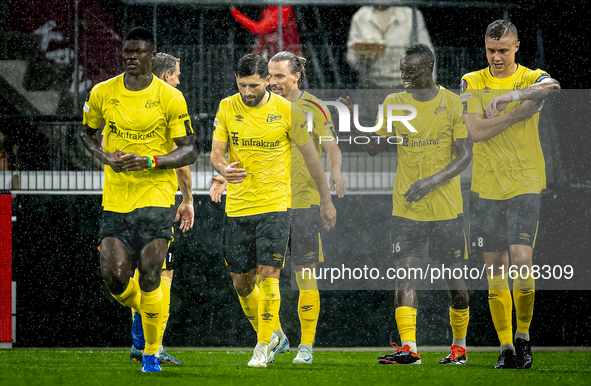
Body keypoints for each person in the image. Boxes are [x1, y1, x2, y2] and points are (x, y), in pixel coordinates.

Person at [210, 51, 346, 364]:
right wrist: (221, 176)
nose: (273, 81)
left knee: (299, 275)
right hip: (254, 204)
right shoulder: (234, 108)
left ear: (296, 76)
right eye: (270, 75)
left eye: (279, 76)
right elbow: (225, 150)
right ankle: (275, 335)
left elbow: (326, 149)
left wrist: (330, 186)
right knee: (249, 280)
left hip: (299, 203)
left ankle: (305, 347)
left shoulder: (309, 108)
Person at [340, 44, 473, 365]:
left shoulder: (452, 104)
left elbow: (465, 155)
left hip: (446, 208)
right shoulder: (395, 103)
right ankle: (409, 348)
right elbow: (375, 147)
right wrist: (353, 122)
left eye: (410, 73)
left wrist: (430, 182)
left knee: (454, 282)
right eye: (402, 72)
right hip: (406, 209)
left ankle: (459, 347)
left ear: (428, 70)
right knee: (404, 278)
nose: (404, 78)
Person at [79, 27, 197, 373]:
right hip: (116, 199)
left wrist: (151, 161)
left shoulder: (170, 98)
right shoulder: (103, 92)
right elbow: (86, 134)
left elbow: (189, 150)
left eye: (138, 51)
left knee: (151, 273)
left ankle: (150, 352)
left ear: (150, 55)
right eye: (127, 51)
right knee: (114, 277)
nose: (131, 57)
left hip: (156, 197)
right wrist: (105, 156)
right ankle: (146, 318)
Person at [461, 19, 560, 369]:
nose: (496, 57)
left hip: (525, 181)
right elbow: (474, 132)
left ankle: (523, 337)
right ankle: (505, 346)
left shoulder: (532, 76)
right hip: (487, 187)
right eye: (491, 50)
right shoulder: (471, 81)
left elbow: (553, 87)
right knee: (495, 267)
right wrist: (520, 113)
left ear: (517, 47)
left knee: (521, 260)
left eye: (503, 50)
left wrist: (508, 97)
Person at [126, 52, 192, 365]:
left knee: (141, 273)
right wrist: (188, 199)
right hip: (157, 200)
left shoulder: (126, 98)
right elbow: (182, 158)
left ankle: (140, 341)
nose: (179, 81)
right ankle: (150, 346)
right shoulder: (171, 101)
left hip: (124, 200)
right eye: (177, 75)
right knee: (161, 274)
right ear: (166, 76)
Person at [347, 0, 434, 89]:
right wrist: (362, 57)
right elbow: (352, 55)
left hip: (404, 86)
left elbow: (426, 53)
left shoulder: (411, 15)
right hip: (371, 86)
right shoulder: (360, 17)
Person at [230, 0, 302, 60]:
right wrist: (254, 55)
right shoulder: (267, 12)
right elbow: (263, 37)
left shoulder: (284, 10)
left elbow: (258, 29)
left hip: (288, 58)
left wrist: (235, 13)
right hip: (274, 58)